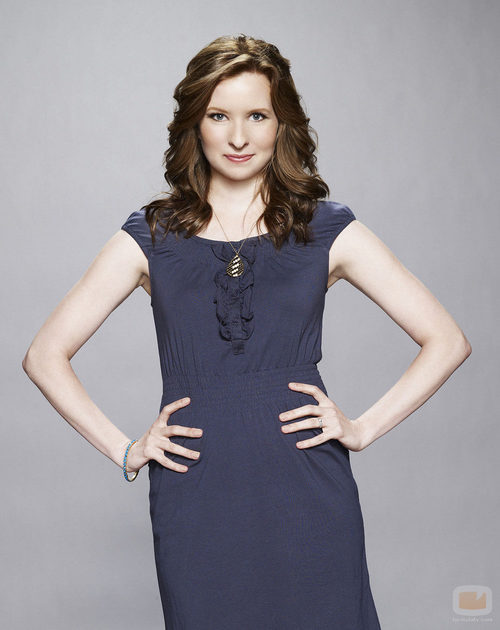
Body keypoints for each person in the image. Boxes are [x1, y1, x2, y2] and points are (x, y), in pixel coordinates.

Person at [22, 33, 471, 629]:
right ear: (195, 124)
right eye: (219, 116)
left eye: (257, 115)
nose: (238, 137)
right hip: (196, 497)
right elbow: (44, 355)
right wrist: (125, 449)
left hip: (308, 493)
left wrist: (361, 428)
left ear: (282, 124)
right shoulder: (152, 235)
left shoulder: (325, 229)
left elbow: (447, 340)